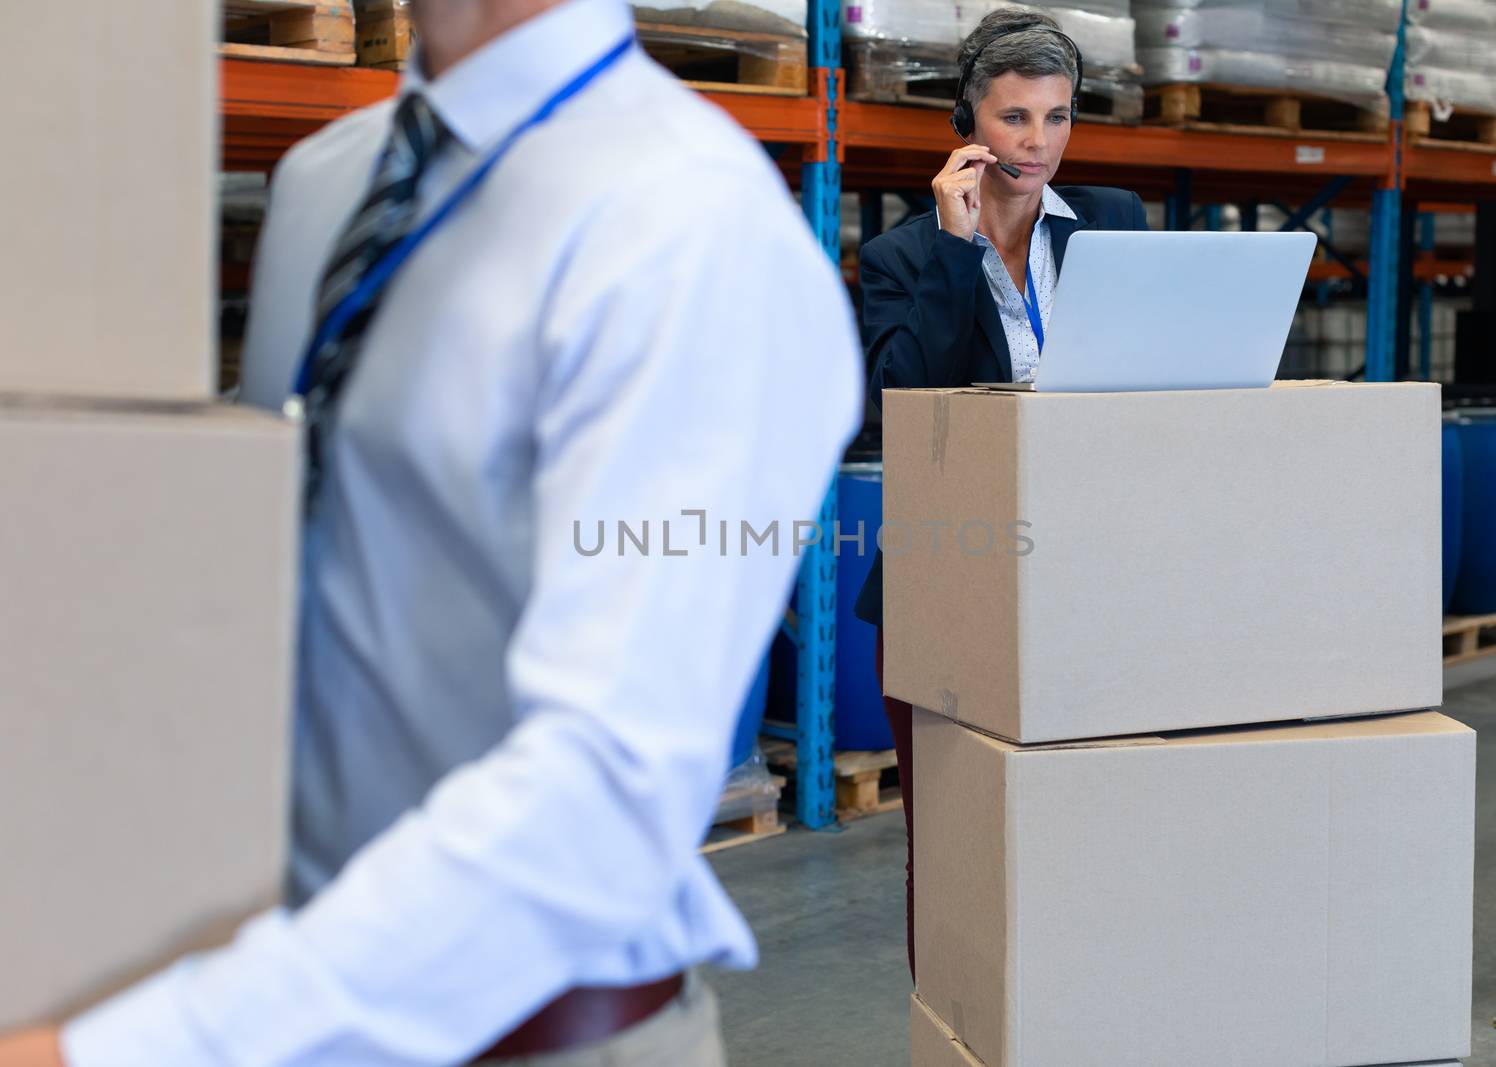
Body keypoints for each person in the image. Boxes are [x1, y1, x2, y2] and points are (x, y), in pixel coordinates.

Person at [0, 0, 861, 1063]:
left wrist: (122, 1049)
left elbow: (600, 796)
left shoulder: (688, 228)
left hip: (524, 1034)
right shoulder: (329, 181)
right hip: (275, 986)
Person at [852, 7, 1149, 978]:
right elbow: (907, 410)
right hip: (952, 574)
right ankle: (952, 1011)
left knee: (1087, 820)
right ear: (968, 125)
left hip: (1087, 571)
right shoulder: (903, 256)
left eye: (1056, 117)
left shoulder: (1112, 221)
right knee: (949, 834)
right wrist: (953, 246)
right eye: (1016, 117)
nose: (1038, 142)